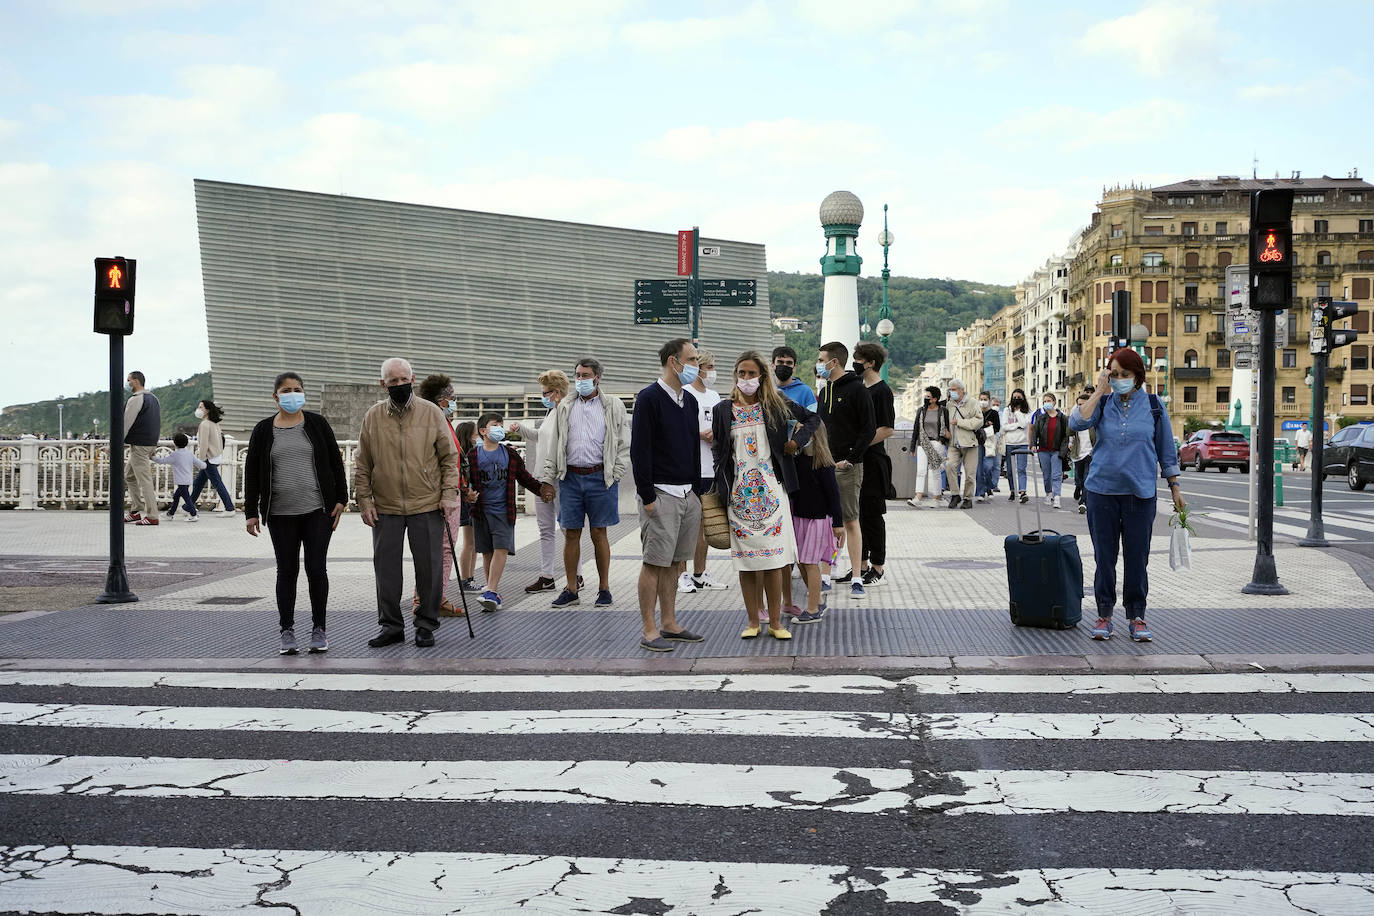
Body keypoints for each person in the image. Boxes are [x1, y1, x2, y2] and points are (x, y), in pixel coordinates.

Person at [1069, 348, 1185, 643]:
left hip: (1140, 494)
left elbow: (1166, 451)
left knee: (1137, 559)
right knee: (1104, 558)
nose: (1119, 379)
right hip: (1101, 492)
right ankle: (1104, 615)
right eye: (1114, 373)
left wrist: (1175, 487)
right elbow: (1076, 422)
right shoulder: (1102, 403)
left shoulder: (1154, 406)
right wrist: (1099, 390)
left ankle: (1136, 615)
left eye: (1125, 374)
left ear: (1138, 376)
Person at [712, 349, 821, 640]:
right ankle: (752, 620)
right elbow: (719, 450)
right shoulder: (723, 410)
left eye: (751, 373)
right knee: (746, 562)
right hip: (738, 496)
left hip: (774, 492)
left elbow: (813, 420)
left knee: (775, 561)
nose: (745, 378)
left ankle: (775, 622)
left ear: (762, 376)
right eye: (741, 373)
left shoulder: (774, 404)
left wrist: (795, 443)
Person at [354, 357, 460, 649]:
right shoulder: (373, 416)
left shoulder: (431, 413)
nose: (399, 385)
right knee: (385, 570)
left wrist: (448, 495)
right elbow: (362, 463)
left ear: (413, 380)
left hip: (426, 504)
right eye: (392, 381)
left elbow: (449, 458)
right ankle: (390, 626)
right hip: (385, 506)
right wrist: (364, 500)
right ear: (383, 384)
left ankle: (426, 624)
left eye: (403, 380)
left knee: (429, 568)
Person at [243, 371, 349, 656]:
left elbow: (335, 462)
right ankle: (286, 630)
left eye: (297, 389)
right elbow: (252, 472)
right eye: (286, 390)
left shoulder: (317, 424)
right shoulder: (264, 430)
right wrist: (250, 511)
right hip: (280, 513)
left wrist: (342, 498)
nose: (292, 394)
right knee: (286, 571)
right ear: (275, 396)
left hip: (317, 510)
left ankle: (319, 629)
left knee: (316, 569)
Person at [630, 338, 707, 652]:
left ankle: (670, 622)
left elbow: (692, 447)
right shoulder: (649, 398)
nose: (696, 366)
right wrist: (647, 495)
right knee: (654, 562)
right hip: (660, 493)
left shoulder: (688, 401)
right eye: (691, 359)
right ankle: (649, 629)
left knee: (676, 563)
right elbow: (640, 449)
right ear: (674, 361)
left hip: (688, 493)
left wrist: (698, 492)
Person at [540, 357, 629, 609]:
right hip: (570, 478)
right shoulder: (565, 406)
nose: (581, 380)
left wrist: (616, 473)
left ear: (597, 377)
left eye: (585, 375)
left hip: (601, 478)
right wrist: (548, 479)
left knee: (599, 532)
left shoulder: (612, 405)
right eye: (578, 375)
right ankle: (571, 589)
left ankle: (604, 588)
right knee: (571, 533)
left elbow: (624, 442)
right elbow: (554, 445)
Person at [468, 412, 549, 612]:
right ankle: (492, 592)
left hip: (504, 511)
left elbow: (524, 477)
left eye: (500, 424)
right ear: (483, 431)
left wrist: (541, 489)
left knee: (501, 548)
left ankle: (491, 590)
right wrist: (465, 494)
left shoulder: (510, 454)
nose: (499, 428)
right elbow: (463, 480)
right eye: (495, 425)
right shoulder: (473, 456)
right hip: (481, 512)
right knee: (487, 552)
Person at [815, 341, 876, 600]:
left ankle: (856, 578)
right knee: (826, 523)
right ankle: (826, 574)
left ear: (834, 362)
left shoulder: (857, 390)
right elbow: (818, 427)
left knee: (851, 520)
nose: (818, 364)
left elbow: (869, 429)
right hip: (824, 466)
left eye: (821, 359)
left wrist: (851, 459)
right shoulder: (824, 389)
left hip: (848, 467)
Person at [512, 370, 582, 595]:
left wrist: (552, 478)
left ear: (557, 393)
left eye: (545, 392)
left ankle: (576, 576)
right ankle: (547, 576)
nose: (543, 396)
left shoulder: (569, 413)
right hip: (541, 479)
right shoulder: (551, 413)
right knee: (546, 530)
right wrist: (520, 429)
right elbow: (541, 437)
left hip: (560, 480)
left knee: (568, 530)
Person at [680, 350, 731, 594]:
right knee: (686, 523)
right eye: (707, 366)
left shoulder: (714, 396)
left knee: (705, 522)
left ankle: (700, 572)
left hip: (712, 467)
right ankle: (681, 574)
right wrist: (696, 433)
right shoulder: (684, 394)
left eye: (713, 365)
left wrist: (717, 433)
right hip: (690, 467)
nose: (711, 370)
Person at [416, 374, 465, 617]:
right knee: (445, 548)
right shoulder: (437, 422)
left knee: (434, 548)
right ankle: (433, 598)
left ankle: (425, 596)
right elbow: (448, 460)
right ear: (442, 400)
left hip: (442, 491)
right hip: (443, 494)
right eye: (451, 398)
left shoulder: (430, 420)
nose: (454, 403)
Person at [788, 422, 843, 624]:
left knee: (810, 563)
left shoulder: (824, 465)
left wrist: (838, 524)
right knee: (802, 561)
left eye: (802, 432)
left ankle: (812, 609)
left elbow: (834, 497)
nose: (798, 435)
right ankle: (817, 600)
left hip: (817, 520)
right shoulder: (797, 461)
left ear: (813, 436)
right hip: (799, 517)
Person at [853, 342, 894, 587]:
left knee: (872, 516)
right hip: (858, 461)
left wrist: (860, 444)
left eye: (858, 359)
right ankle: (860, 565)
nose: (855, 363)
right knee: (856, 515)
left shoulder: (882, 391)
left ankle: (877, 567)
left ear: (870, 362)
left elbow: (887, 429)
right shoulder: (860, 388)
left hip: (874, 461)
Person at [123, 370, 162, 526]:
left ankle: (152, 515)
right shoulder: (154, 399)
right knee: (129, 475)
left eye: (129, 380)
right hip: (148, 443)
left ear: (137, 381)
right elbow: (157, 422)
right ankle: (136, 509)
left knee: (144, 480)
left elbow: (126, 423)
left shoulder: (136, 399)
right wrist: (154, 444)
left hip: (139, 445)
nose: (128, 383)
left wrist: (113, 445)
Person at [189, 399, 235, 514]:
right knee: (198, 484)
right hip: (215, 457)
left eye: (201, 407)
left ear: (207, 410)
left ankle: (230, 509)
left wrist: (201, 460)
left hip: (208, 458)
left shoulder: (204, 424)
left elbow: (203, 444)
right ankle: (188, 506)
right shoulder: (214, 424)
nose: (198, 409)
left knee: (217, 484)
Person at [907, 386, 948, 508]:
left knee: (935, 471)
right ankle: (918, 498)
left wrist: (942, 441)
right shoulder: (921, 410)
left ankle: (937, 498)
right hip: (922, 443)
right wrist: (912, 447)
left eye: (928, 396)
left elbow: (946, 428)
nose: (925, 398)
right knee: (921, 471)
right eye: (925, 396)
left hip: (937, 443)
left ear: (935, 399)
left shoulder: (943, 411)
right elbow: (916, 429)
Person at [943, 378, 981, 509]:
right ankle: (955, 494)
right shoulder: (950, 404)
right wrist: (946, 430)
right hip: (954, 443)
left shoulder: (973, 402)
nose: (952, 392)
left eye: (954, 389)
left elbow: (978, 421)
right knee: (949, 466)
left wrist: (960, 422)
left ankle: (968, 498)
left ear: (961, 390)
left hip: (969, 443)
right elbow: (946, 421)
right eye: (950, 390)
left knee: (970, 474)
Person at [1030, 392, 1070, 509]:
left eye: (1048, 401)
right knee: (1046, 474)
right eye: (1044, 402)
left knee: (1056, 475)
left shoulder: (1062, 417)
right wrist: (1033, 445)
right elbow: (1035, 432)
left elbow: (1065, 435)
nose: (1046, 403)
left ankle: (1057, 497)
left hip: (1057, 450)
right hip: (1043, 450)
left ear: (1054, 402)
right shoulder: (1041, 418)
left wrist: (1063, 451)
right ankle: (1049, 493)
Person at [155, 433, 206, 522]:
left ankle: (193, 514)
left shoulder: (175, 455)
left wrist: (152, 457)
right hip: (188, 480)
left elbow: (162, 461)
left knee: (187, 499)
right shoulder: (189, 454)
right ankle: (170, 514)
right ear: (186, 443)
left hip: (181, 481)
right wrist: (205, 465)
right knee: (176, 497)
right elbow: (200, 464)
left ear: (175, 443)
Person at [453, 420, 480, 591]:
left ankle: (470, 578)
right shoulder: (465, 454)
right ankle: (466, 579)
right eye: (475, 433)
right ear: (468, 435)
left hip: (470, 499)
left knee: (474, 542)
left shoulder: (467, 453)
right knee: (470, 542)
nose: (477, 436)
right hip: (466, 500)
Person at [1003, 389, 1032, 503]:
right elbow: (1005, 426)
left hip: (1022, 443)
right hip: (1010, 443)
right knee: (1010, 470)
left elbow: (1025, 424)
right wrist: (1017, 426)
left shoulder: (1027, 411)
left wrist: (1017, 412)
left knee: (1021, 469)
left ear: (1023, 398)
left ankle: (1023, 492)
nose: (1016, 399)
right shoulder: (1006, 410)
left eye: (1019, 397)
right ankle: (1012, 490)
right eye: (1014, 397)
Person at [1070, 390, 1095, 515]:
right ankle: (1078, 487)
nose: (1081, 407)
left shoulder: (1094, 418)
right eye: (1079, 404)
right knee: (1079, 478)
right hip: (1078, 453)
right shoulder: (1075, 418)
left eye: (1083, 404)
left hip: (1090, 453)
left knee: (1086, 478)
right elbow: (1069, 432)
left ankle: (1083, 502)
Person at [771, 346, 818, 411]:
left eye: (789, 363)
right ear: (772, 366)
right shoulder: (765, 389)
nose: (784, 365)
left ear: (794, 367)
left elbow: (814, 418)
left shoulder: (805, 392)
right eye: (780, 362)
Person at [975, 390, 1001, 502]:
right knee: (979, 470)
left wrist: (987, 428)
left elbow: (997, 428)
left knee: (988, 467)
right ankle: (981, 492)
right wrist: (986, 425)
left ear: (989, 401)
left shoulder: (994, 413)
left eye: (985, 399)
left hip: (989, 443)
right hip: (977, 443)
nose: (983, 402)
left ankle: (989, 487)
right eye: (981, 399)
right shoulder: (976, 412)